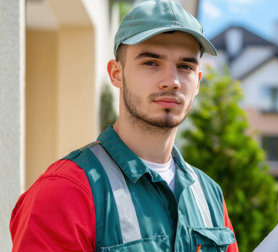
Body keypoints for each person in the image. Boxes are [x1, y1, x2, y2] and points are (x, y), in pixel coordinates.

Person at [10, 0, 239, 251]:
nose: (172, 81)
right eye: (151, 62)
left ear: (196, 82)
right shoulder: (65, 191)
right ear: (116, 74)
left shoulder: (209, 195)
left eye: (185, 66)